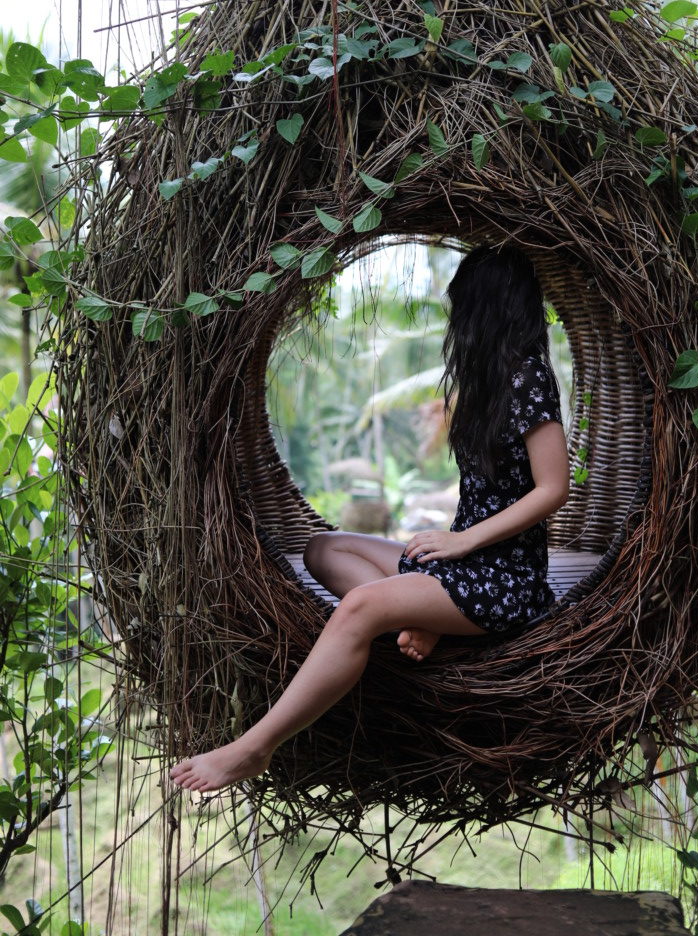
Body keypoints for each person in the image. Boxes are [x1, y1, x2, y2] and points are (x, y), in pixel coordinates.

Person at [170, 244, 570, 793]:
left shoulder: (529, 377)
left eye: (462, 308)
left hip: (503, 580)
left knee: (359, 607)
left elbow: (554, 489)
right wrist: (451, 553)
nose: (457, 324)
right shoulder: (488, 383)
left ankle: (253, 748)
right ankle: (421, 615)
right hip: (465, 564)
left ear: (485, 309)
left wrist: (461, 542)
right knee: (324, 549)